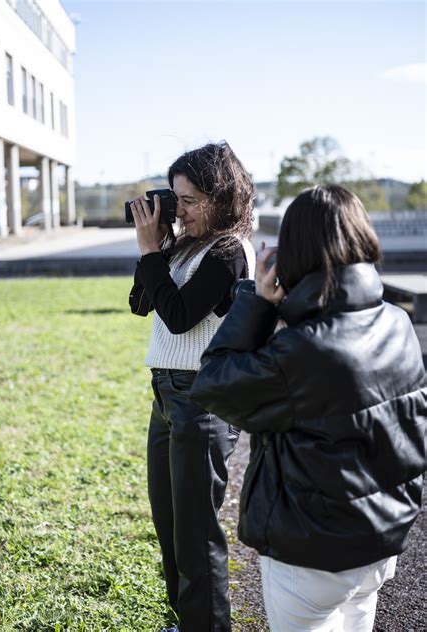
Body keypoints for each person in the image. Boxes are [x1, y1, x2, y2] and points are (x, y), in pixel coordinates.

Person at [190, 185, 426, 632]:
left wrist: (258, 301)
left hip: (311, 551)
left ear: (295, 251)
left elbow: (214, 383)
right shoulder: (397, 321)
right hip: (380, 542)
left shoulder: (300, 349)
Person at [128, 141, 256, 632]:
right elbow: (143, 304)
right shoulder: (184, 244)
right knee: (171, 527)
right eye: (174, 198)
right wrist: (155, 247)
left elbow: (180, 318)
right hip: (166, 398)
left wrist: (149, 254)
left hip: (202, 401)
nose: (177, 211)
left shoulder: (229, 251)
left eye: (187, 201)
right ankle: (185, 622)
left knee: (197, 536)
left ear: (221, 197)